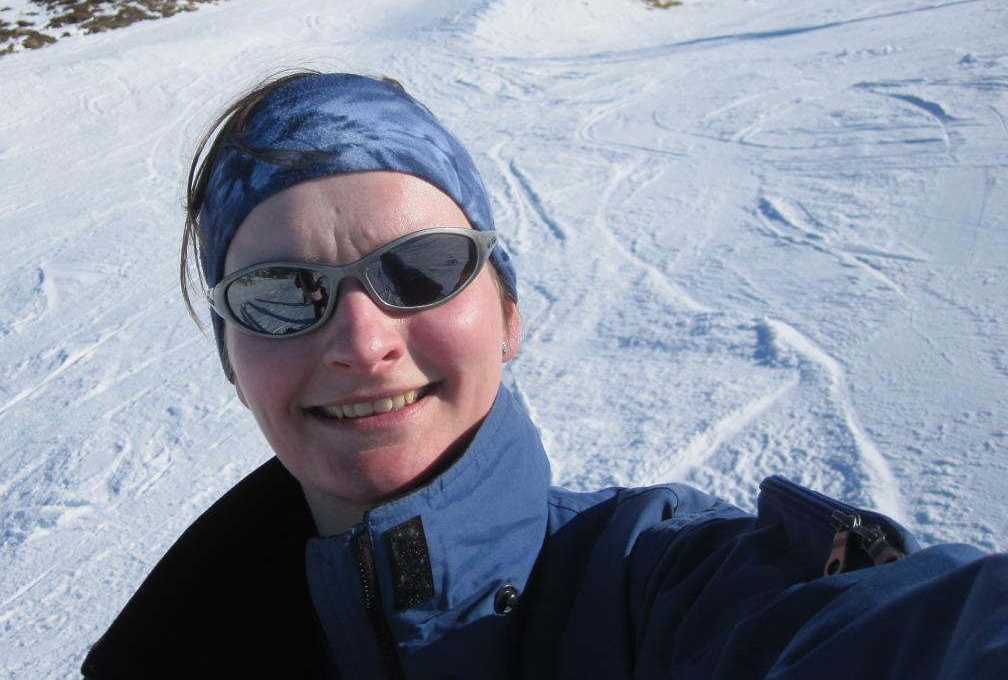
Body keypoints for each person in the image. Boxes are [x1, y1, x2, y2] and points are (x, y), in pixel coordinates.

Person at [83, 71, 1006, 679]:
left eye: (421, 267)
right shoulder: (172, 648)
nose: (362, 341)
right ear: (233, 362)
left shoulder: (656, 588)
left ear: (508, 313)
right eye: (282, 294)